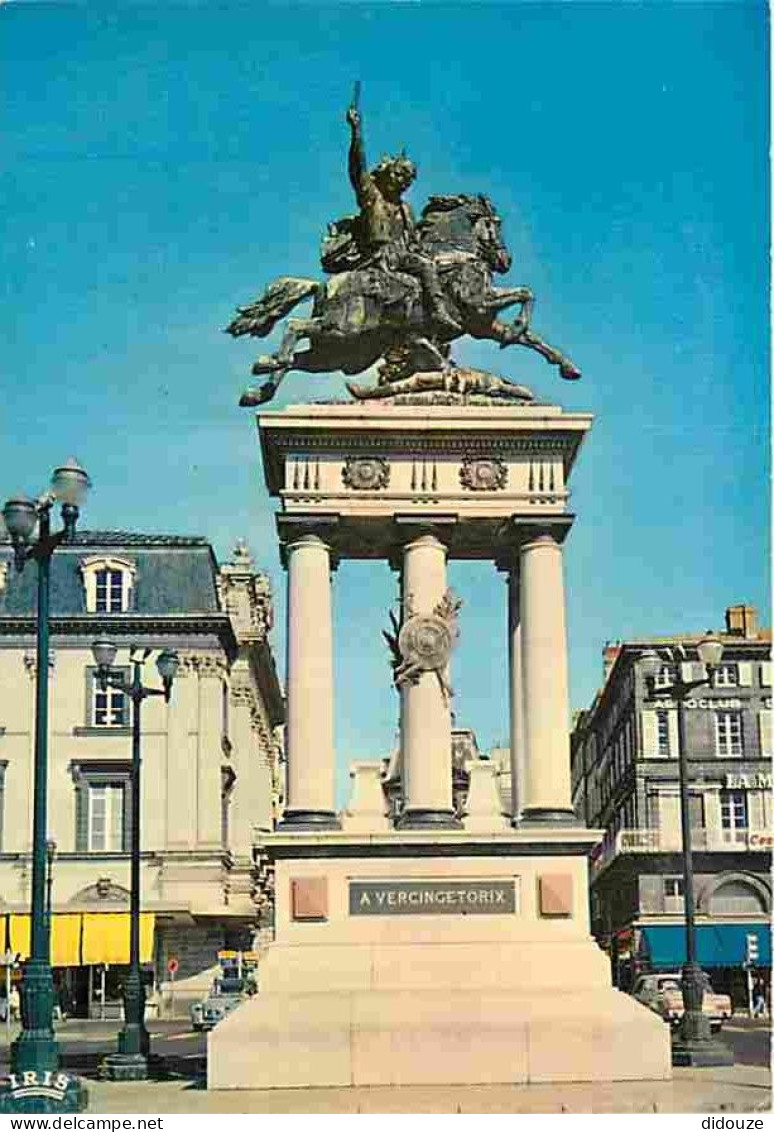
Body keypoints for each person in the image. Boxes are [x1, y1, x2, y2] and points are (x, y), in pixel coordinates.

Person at [344, 101, 461, 336]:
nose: (403, 182)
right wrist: (356, 132)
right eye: (400, 175)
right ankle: (438, 311)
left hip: (404, 257)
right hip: (383, 258)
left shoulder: (406, 209)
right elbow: (358, 167)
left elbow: (414, 241)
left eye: (408, 179)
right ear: (387, 173)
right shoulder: (371, 196)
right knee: (425, 266)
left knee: (438, 266)